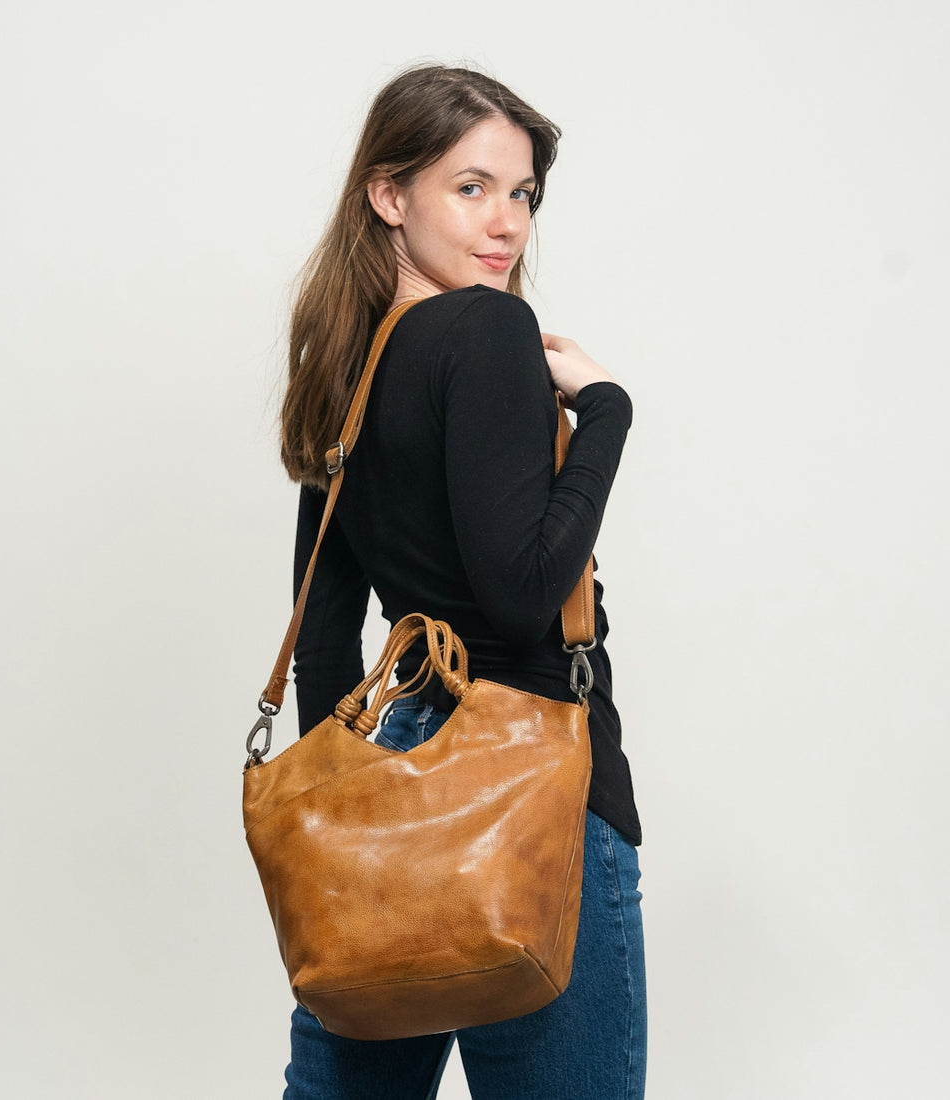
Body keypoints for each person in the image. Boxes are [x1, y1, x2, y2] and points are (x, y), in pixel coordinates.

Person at [279, 64, 646, 1099]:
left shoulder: (346, 367)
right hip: (529, 789)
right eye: (470, 187)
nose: (506, 222)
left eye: (521, 193)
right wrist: (608, 412)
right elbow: (524, 596)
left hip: (391, 782)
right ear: (388, 195)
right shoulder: (486, 330)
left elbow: (321, 640)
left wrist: (352, 820)